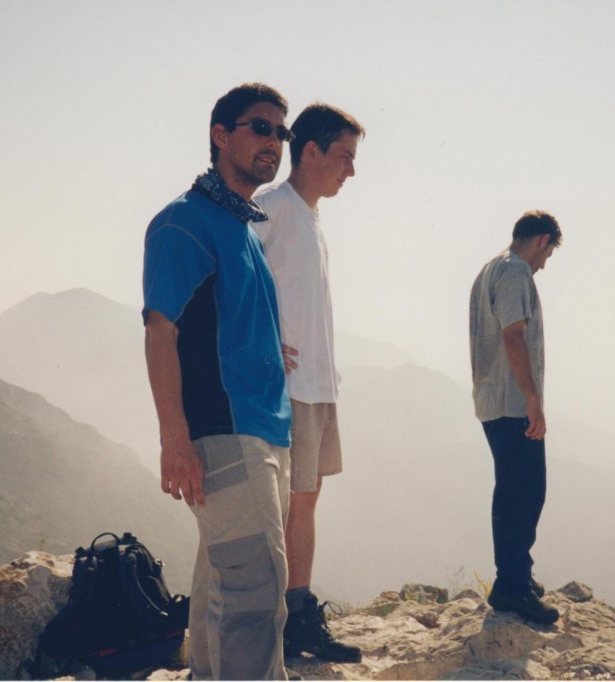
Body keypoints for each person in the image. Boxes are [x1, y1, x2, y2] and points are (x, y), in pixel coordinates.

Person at [142, 83, 295, 680]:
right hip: (227, 432)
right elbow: (161, 333)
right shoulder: (184, 222)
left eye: (281, 132)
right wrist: (173, 440)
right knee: (258, 593)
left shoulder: (242, 228)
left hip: (263, 429)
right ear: (220, 135)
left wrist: (265, 347)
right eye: (261, 127)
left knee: (222, 593)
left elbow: (223, 321)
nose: (273, 142)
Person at [252, 103, 365, 663]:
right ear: (312, 151)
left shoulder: (310, 216)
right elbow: (235, 286)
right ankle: (276, 622)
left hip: (320, 383)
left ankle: (296, 615)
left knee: (306, 501)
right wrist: (266, 345)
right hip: (291, 384)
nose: (351, 170)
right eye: (344, 156)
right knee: (284, 504)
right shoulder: (271, 208)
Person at [469, 210, 563, 625]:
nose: (544, 265)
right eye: (548, 254)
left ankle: (516, 574)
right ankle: (511, 585)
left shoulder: (491, 269)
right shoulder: (516, 273)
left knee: (516, 488)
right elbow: (513, 334)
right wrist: (532, 398)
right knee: (523, 492)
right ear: (542, 240)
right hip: (511, 401)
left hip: (494, 400)